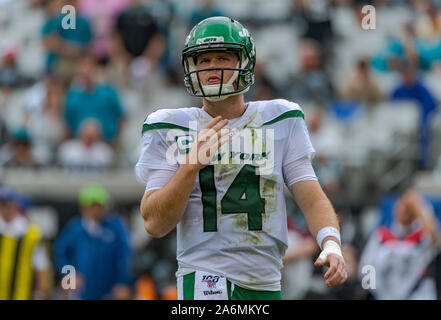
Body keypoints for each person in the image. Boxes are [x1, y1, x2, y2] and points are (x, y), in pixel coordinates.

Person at [135, 17, 347, 300]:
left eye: (222, 57)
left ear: (244, 63)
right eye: (203, 60)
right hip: (204, 280)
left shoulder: (281, 118)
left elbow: (311, 196)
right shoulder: (171, 125)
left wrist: (330, 243)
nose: (212, 68)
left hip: (267, 283)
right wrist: (190, 166)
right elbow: (155, 223)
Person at [53, 183, 132, 300]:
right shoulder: (75, 229)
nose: (98, 210)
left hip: (109, 290)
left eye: (101, 206)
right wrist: (69, 275)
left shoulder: (115, 228)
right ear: (84, 207)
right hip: (81, 291)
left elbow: (124, 257)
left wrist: (123, 282)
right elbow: (60, 251)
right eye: (95, 205)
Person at [359, 189, 440, 299]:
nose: (406, 211)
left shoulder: (422, 237)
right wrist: (378, 291)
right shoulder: (380, 237)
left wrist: (418, 206)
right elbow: (365, 268)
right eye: (402, 206)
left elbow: (435, 238)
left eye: (409, 208)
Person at [0, 186, 51, 300]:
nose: (5, 208)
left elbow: (41, 265)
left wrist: (41, 292)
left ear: (15, 206)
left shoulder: (31, 234)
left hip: (21, 294)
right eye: (2, 203)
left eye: (7, 204)